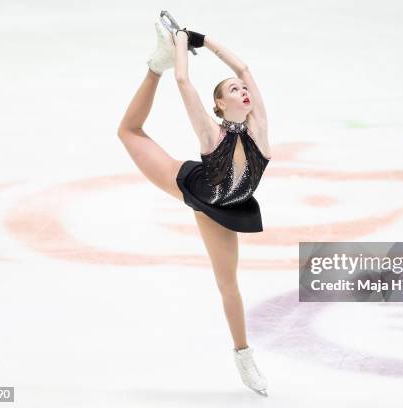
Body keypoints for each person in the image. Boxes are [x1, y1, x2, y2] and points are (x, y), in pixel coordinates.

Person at [117, 17, 271, 396]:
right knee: (129, 132)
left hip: (228, 209)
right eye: (234, 90)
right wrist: (179, 48)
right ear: (219, 104)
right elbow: (184, 82)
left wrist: (205, 39)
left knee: (227, 284)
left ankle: (243, 355)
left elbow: (244, 68)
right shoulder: (210, 132)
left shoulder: (260, 132)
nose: (243, 90)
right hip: (191, 185)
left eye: (244, 90)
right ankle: (156, 64)